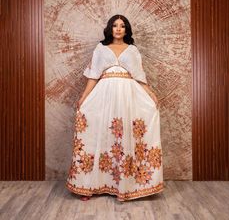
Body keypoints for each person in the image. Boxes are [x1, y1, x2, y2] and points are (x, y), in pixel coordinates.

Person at [65, 14, 164, 201]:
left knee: (124, 136)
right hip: (104, 96)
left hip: (128, 96)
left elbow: (139, 76)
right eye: (115, 25)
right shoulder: (101, 48)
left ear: (127, 30)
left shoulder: (133, 50)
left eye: (122, 26)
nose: (118, 29)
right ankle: (90, 186)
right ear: (110, 28)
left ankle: (129, 186)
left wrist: (151, 94)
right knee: (102, 135)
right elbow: (93, 76)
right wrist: (84, 97)